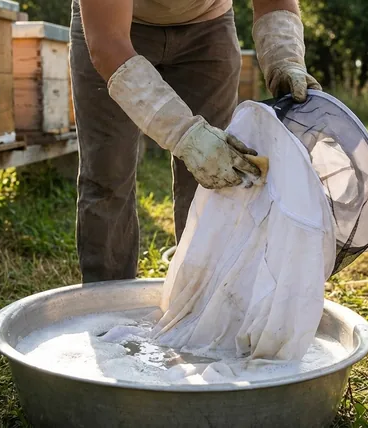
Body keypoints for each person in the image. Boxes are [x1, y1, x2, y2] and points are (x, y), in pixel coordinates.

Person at [70, 0, 321, 283]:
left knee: (218, 184)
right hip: (115, 28)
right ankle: (107, 305)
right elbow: (108, 45)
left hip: (209, 27)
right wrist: (184, 135)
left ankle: (202, 303)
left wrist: (284, 57)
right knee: (107, 175)